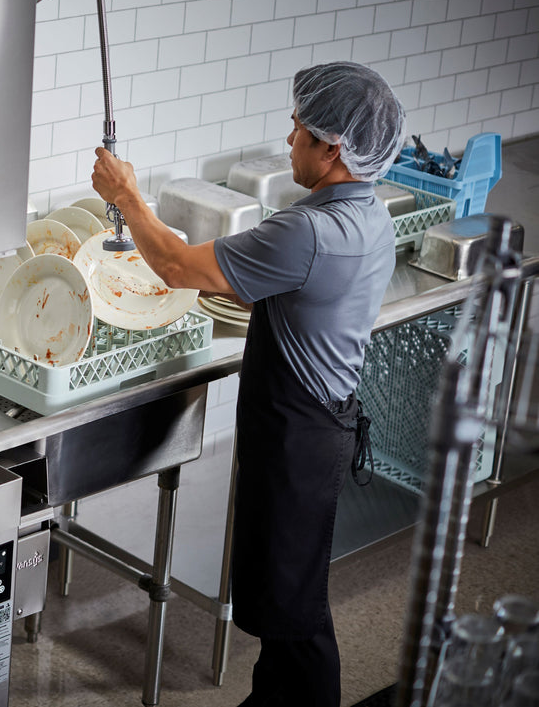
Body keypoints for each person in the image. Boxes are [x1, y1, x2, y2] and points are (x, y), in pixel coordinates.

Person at [90, 61, 407, 707]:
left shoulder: (311, 232)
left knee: (295, 615)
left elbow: (179, 266)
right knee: (285, 596)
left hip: (296, 438)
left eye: (299, 128)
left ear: (333, 147)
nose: (289, 137)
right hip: (318, 426)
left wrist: (127, 197)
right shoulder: (366, 213)